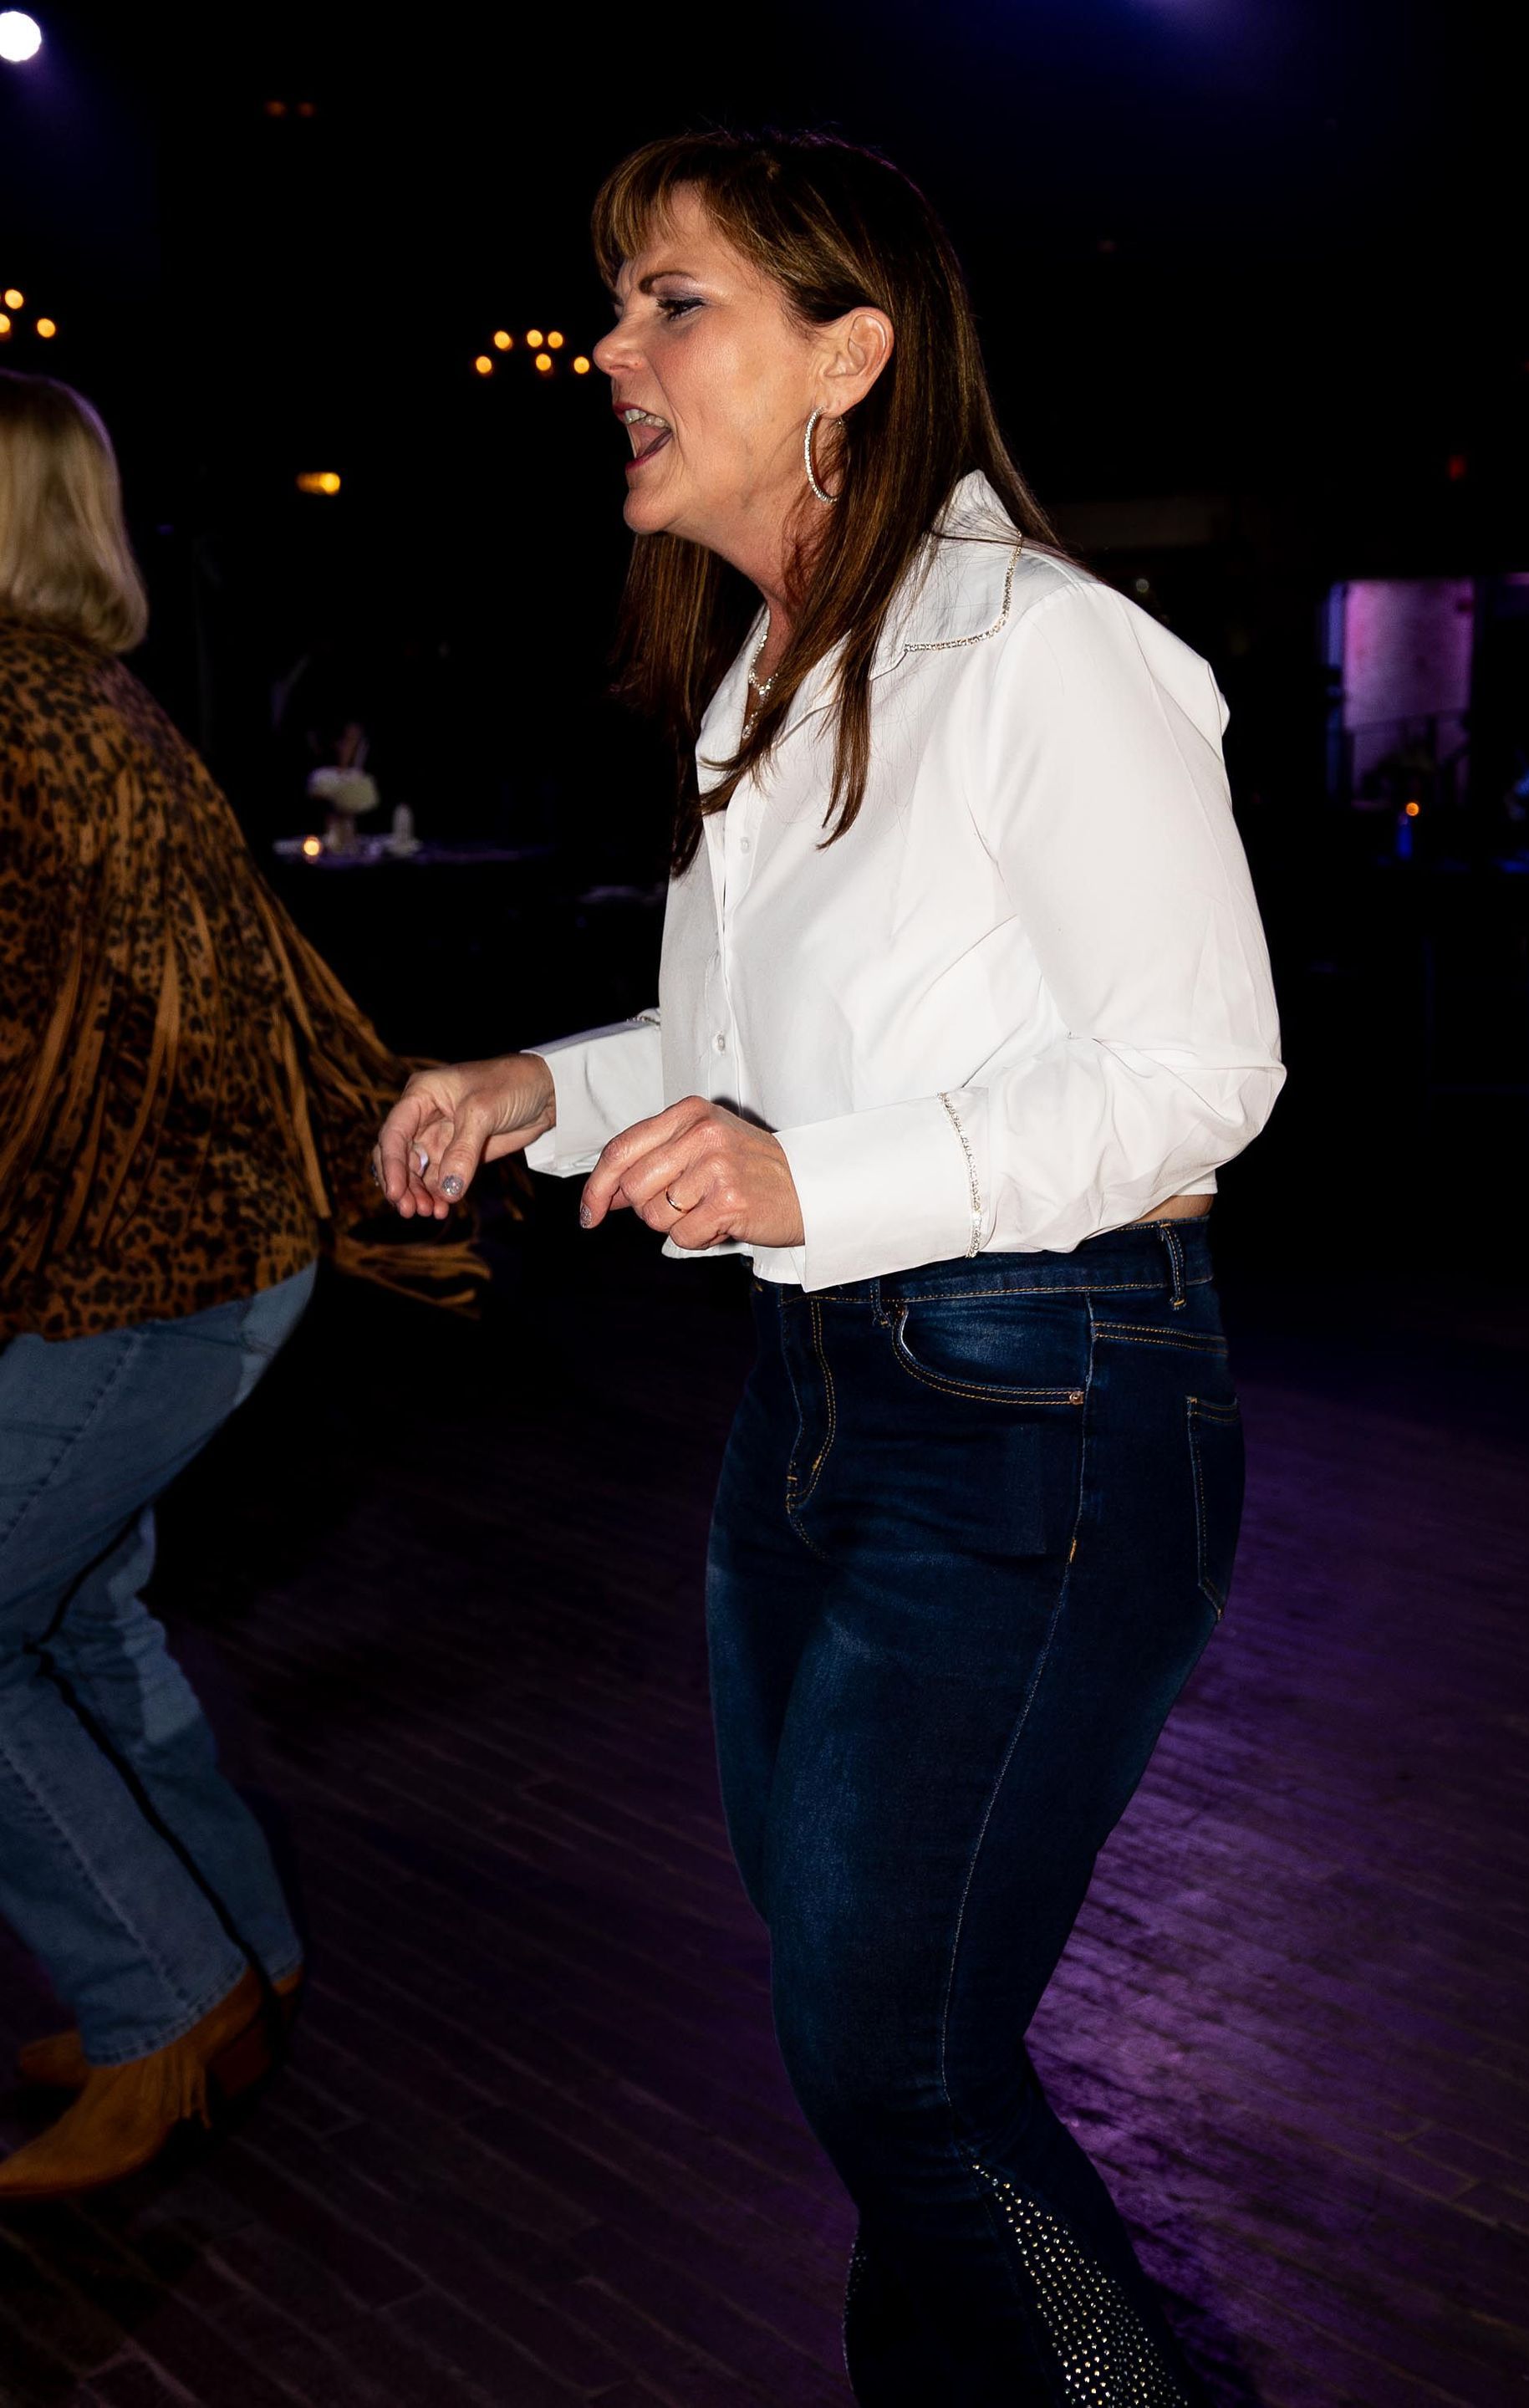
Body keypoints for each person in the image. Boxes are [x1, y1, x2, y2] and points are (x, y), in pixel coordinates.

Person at [377, 131, 1284, 2405]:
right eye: (617, 303)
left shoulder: (1048, 655)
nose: (610, 351)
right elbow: (744, 1058)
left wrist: (811, 1185)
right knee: (861, 2040)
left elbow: (1202, 1073)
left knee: (898, 2065)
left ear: (848, 357)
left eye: (669, 302)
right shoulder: (773, 680)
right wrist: (535, 1091)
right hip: (821, 1412)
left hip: (1042, 1414)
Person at [0, 370, 482, 2202]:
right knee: (79, 1615)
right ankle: (232, 1952)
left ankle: (162, 2001)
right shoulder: (101, 703)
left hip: (137, 1269)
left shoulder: (17, 713)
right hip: (202, 1255)